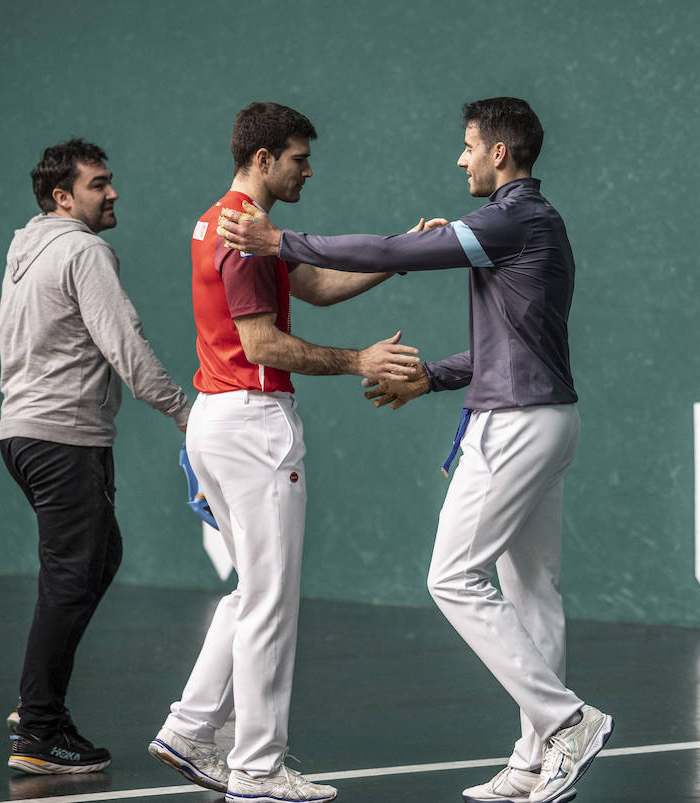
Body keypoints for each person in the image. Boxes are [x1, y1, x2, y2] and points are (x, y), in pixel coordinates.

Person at [219, 96, 612, 803]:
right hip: (548, 415)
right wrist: (432, 377)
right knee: (532, 593)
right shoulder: (535, 223)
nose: (459, 159)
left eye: (467, 147)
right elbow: (512, 345)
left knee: (452, 576)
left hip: (515, 424)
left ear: (499, 153)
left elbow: (401, 252)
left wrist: (285, 244)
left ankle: (566, 721)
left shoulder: (511, 218)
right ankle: (533, 760)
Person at [148, 102, 420, 803]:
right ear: (264, 160)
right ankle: (259, 767)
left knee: (252, 591)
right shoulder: (242, 233)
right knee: (271, 600)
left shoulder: (225, 220)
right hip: (253, 421)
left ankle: (189, 728)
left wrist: (401, 257)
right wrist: (361, 360)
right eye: (299, 157)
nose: (309, 169)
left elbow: (319, 285)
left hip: (219, 417)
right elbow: (264, 344)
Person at [0, 139, 191, 774]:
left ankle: (39, 705)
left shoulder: (28, 247)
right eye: (98, 184)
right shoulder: (83, 250)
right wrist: (184, 410)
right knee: (71, 575)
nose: (112, 193)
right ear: (63, 197)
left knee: (96, 558)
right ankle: (40, 727)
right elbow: (126, 346)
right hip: (63, 438)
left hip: (24, 436)